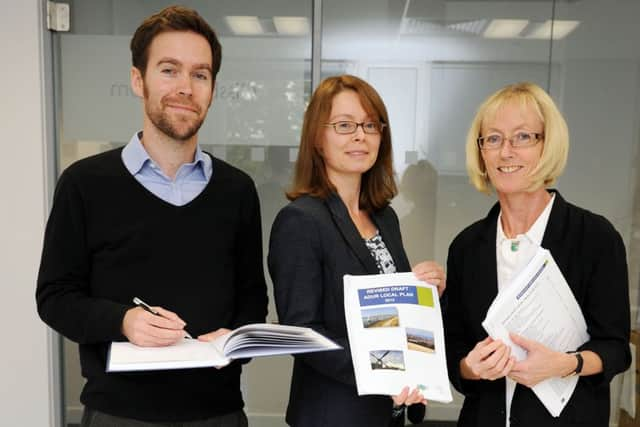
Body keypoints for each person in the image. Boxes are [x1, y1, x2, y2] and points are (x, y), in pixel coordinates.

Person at [36, 6, 267, 427]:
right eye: (169, 70)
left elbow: (253, 299)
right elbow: (55, 297)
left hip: (218, 414)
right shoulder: (85, 184)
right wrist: (123, 320)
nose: (185, 87)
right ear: (138, 80)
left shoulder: (237, 191)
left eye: (200, 74)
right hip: (119, 414)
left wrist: (235, 340)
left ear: (212, 88)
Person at [444, 82, 631, 427]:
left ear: (548, 145)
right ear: (481, 152)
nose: (506, 151)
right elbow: (454, 353)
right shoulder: (467, 247)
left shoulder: (595, 238)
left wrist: (565, 364)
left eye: (523, 137)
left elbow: (616, 349)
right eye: (494, 139)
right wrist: (471, 367)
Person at [268, 74, 445, 427]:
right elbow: (303, 334)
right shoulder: (301, 221)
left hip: (387, 411)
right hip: (333, 414)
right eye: (345, 125)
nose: (360, 136)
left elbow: (391, 313)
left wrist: (423, 293)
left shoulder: (385, 217)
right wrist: (386, 371)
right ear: (318, 137)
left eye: (370, 125)